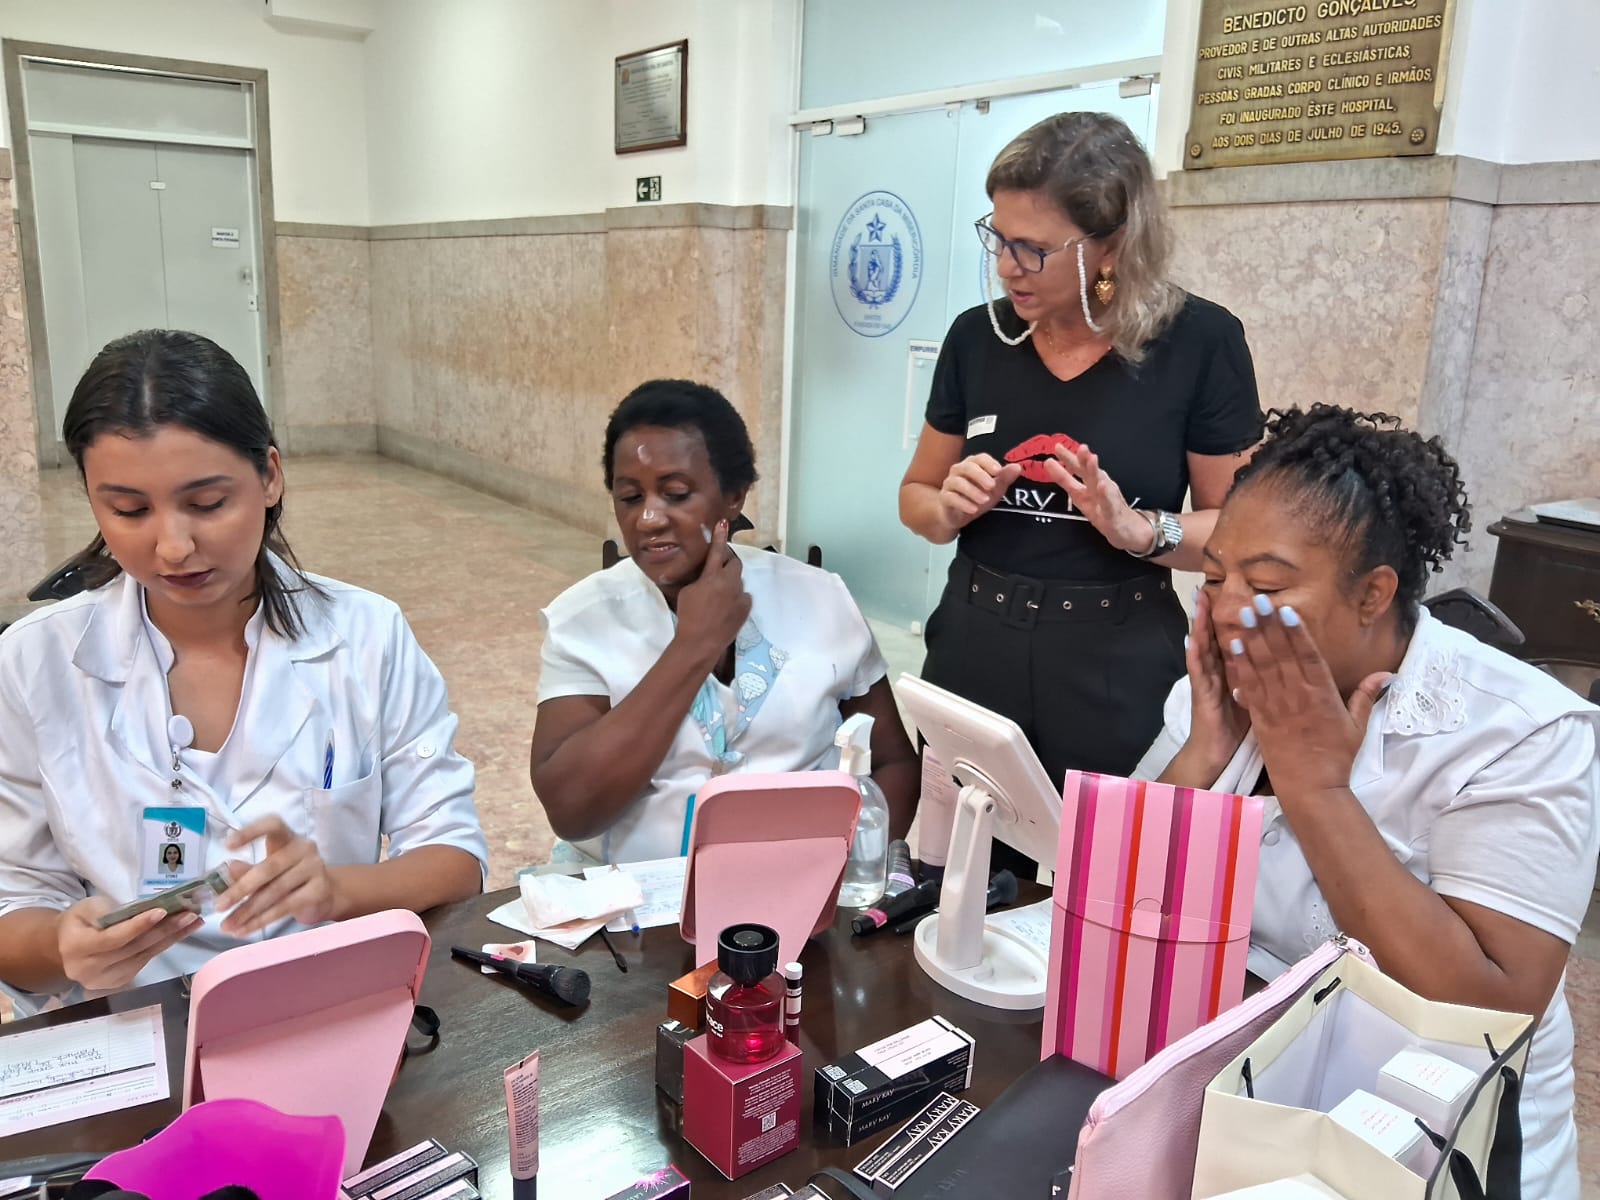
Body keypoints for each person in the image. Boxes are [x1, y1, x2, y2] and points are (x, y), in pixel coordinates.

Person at [1136, 405, 1599, 1199]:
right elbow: (1120, 888)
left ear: (1373, 594)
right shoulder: (1221, 688)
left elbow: (1494, 1009)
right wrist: (1205, 752)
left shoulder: (1522, 731)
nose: (1229, 607)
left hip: (1430, 1136)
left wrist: (1316, 789)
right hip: (1244, 1089)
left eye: (1267, 584)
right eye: (1214, 577)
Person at [0, 330, 487, 1016]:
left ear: (270, 476)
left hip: (321, 1004)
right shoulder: (35, 661)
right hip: (133, 1023)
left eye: (207, 503)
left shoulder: (366, 636)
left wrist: (337, 890)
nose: (174, 547)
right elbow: (13, 903)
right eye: (129, 510)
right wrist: (62, 946)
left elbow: (453, 857)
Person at [898, 112, 1261, 867]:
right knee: (953, 876)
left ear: (1113, 243)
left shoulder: (1199, 343)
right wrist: (948, 506)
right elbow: (917, 498)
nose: (1008, 267)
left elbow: (1242, 537)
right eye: (998, 239)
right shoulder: (977, 338)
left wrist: (1141, 530)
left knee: (1108, 882)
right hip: (975, 643)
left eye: (1033, 248)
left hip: (1113, 660)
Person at [532, 379, 919, 864]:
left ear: (734, 496)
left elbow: (893, 762)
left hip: (800, 886)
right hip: (631, 896)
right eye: (629, 497)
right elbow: (571, 810)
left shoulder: (820, 597)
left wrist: (843, 873)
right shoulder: (583, 620)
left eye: (676, 494)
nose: (648, 519)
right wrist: (693, 644)